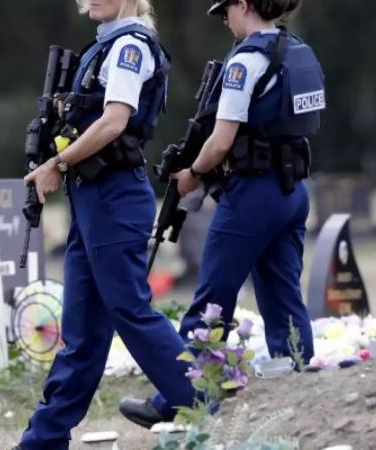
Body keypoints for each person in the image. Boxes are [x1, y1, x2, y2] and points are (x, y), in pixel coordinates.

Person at [119, 0, 325, 428]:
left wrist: (193, 173)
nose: (225, 21)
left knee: (211, 300)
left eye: (226, 11)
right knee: (283, 292)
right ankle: (301, 387)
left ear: (243, 5)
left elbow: (220, 141)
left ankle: (178, 398)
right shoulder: (297, 49)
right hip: (293, 190)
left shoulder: (246, 61)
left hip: (252, 195)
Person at [15, 1, 194, 448]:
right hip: (91, 198)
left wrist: (57, 162)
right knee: (81, 334)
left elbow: (114, 122)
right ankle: (42, 440)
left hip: (114, 196)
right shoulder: (104, 46)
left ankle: (198, 396)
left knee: (129, 309)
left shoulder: (129, 46)